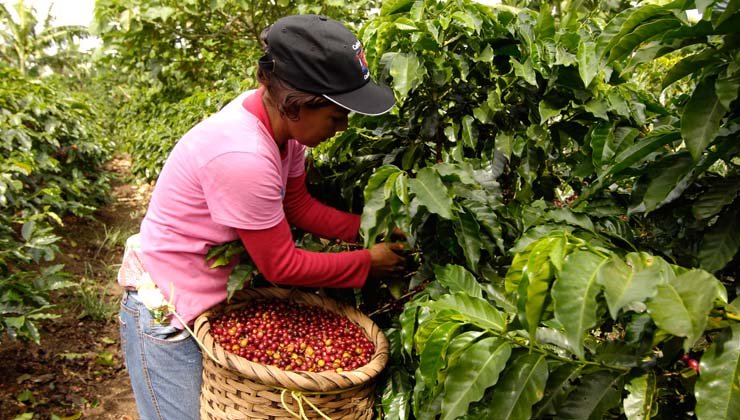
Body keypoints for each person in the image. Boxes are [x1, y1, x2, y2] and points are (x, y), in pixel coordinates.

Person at [116, 14, 405, 420]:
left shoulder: (281, 131)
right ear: (297, 104)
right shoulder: (244, 156)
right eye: (336, 116)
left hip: (211, 304)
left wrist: (370, 230)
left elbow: (299, 207)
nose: (342, 127)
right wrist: (368, 263)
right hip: (167, 310)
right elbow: (280, 264)